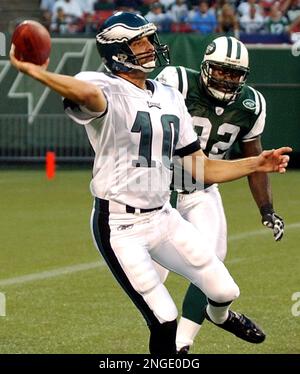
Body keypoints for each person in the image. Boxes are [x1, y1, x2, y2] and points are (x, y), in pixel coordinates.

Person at [10, 13, 291, 354]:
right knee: (165, 318)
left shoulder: (169, 95)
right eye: (140, 41)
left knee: (223, 291)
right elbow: (87, 93)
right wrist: (36, 72)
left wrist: (255, 163)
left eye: (149, 38)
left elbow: (199, 167)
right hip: (120, 223)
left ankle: (220, 317)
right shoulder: (106, 88)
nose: (150, 46)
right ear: (119, 51)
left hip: (162, 217)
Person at [155, 36, 285, 353]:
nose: (227, 79)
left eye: (234, 73)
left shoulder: (251, 105)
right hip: (158, 188)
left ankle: (184, 342)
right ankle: (216, 315)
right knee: (152, 275)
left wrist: (266, 208)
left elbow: (255, 159)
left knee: (212, 262)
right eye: (221, 71)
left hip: (203, 189)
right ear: (205, 68)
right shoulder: (177, 83)